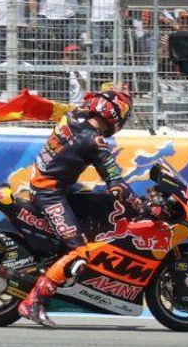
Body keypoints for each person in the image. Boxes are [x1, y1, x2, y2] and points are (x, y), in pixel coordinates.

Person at [17, 88, 136, 327]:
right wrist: (137, 201)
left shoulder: (75, 115)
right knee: (81, 251)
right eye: (124, 113)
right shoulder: (95, 141)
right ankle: (34, 301)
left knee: (95, 206)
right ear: (114, 114)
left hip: (51, 182)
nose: (124, 118)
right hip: (49, 192)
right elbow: (114, 180)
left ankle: (58, 266)